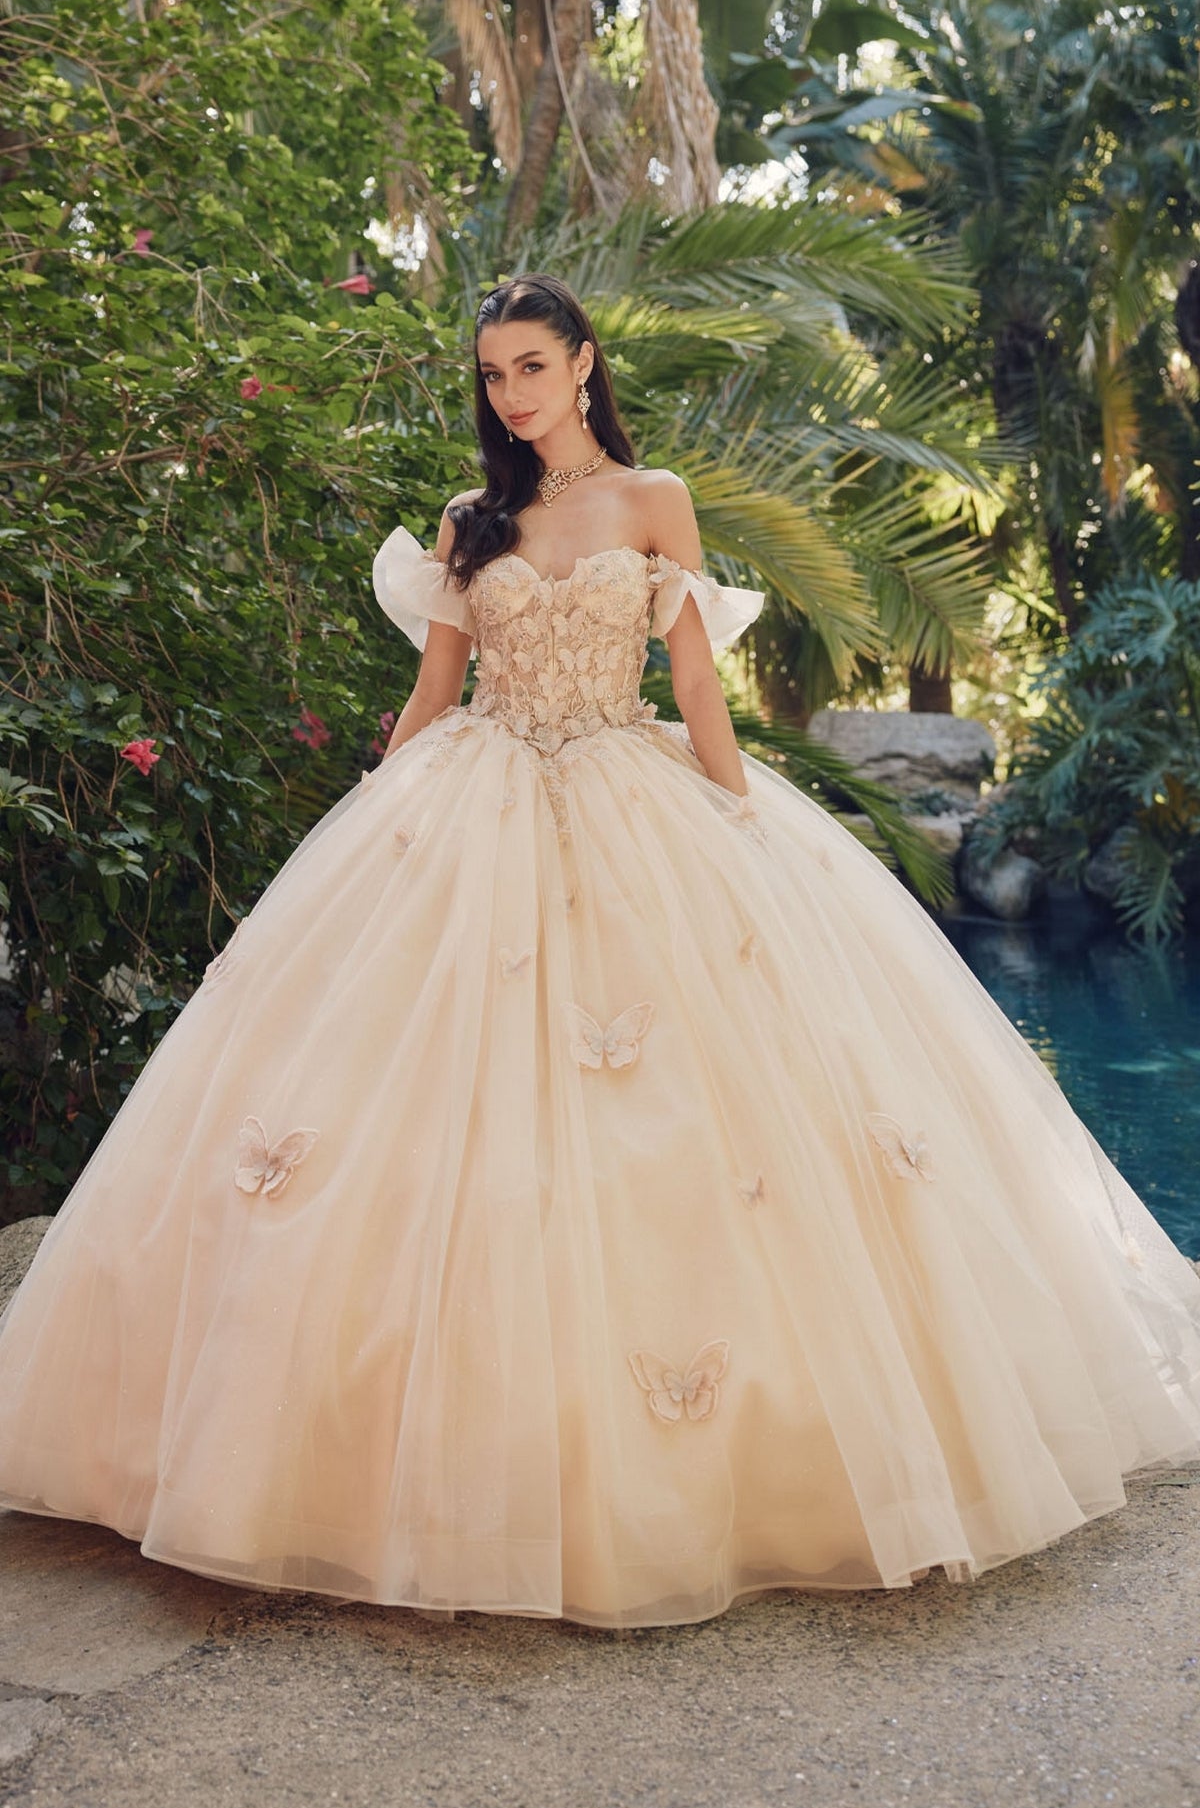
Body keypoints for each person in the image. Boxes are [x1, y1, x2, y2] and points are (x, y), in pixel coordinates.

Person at [0, 272, 1198, 1632]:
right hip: (478, 800)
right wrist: (374, 819)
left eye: (529, 366)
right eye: (492, 375)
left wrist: (743, 821)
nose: (509, 395)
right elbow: (430, 694)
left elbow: (694, 680)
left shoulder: (655, 500)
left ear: (583, 365)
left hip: (636, 797)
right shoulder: (471, 522)